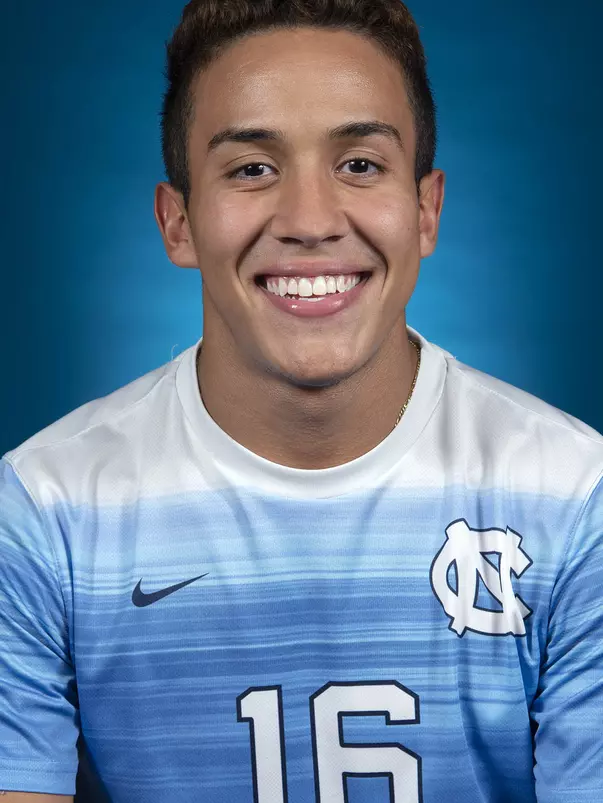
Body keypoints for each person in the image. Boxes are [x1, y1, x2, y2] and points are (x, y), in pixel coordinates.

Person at [1, 0, 602, 801]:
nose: (310, 221)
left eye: (359, 163)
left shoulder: (578, 497)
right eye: (251, 167)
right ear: (177, 222)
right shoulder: (44, 511)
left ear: (426, 210)